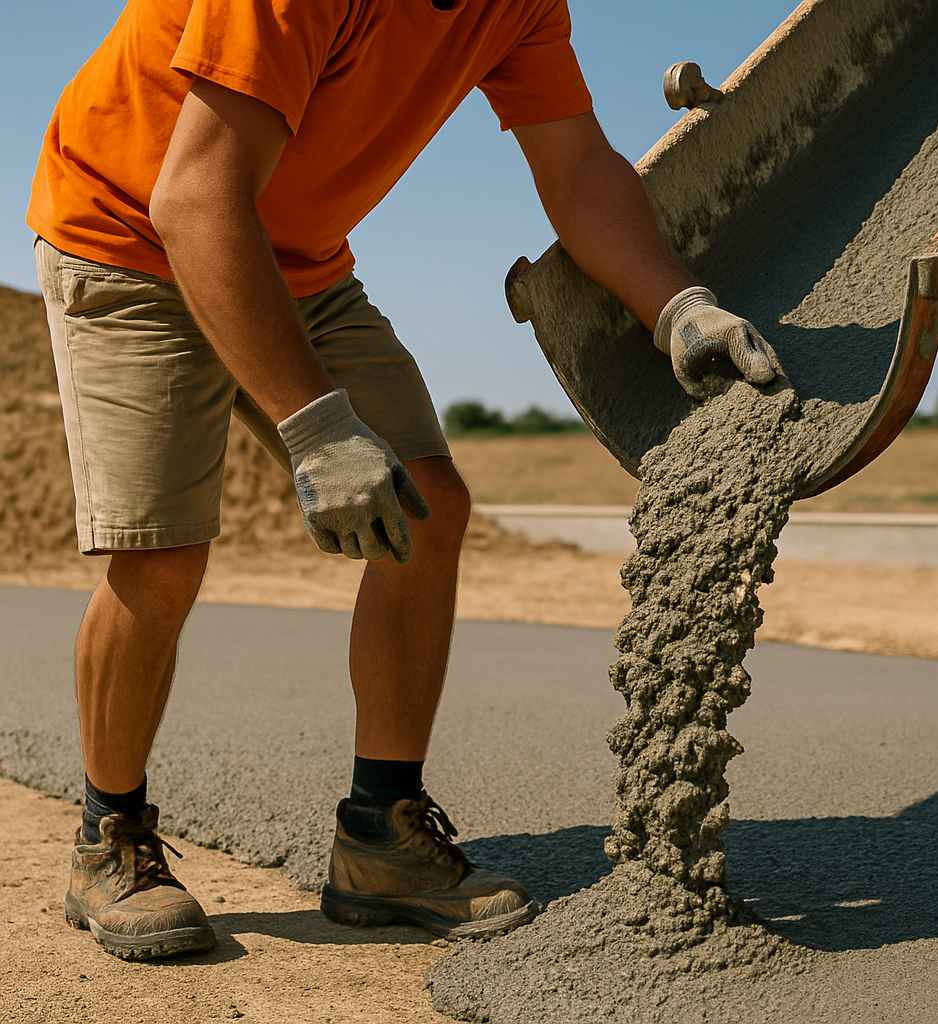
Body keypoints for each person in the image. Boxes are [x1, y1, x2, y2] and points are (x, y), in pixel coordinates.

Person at [27, 0, 779, 961]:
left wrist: (676, 306)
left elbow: (579, 164)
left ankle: (379, 837)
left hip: (295, 260)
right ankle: (109, 835)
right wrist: (317, 428)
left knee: (430, 506)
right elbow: (193, 198)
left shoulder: (520, 7)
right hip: (127, 230)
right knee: (163, 555)